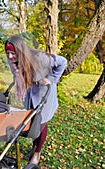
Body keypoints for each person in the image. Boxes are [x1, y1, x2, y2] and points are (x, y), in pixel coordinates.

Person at [5, 35, 67, 165]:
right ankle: (35, 147)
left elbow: (63, 62)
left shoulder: (40, 58)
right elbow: (18, 75)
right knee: (33, 121)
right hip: (30, 92)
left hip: (44, 93)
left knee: (41, 122)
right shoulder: (12, 60)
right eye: (8, 53)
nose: (10, 56)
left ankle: (37, 154)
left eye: (13, 53)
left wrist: (52, 79)